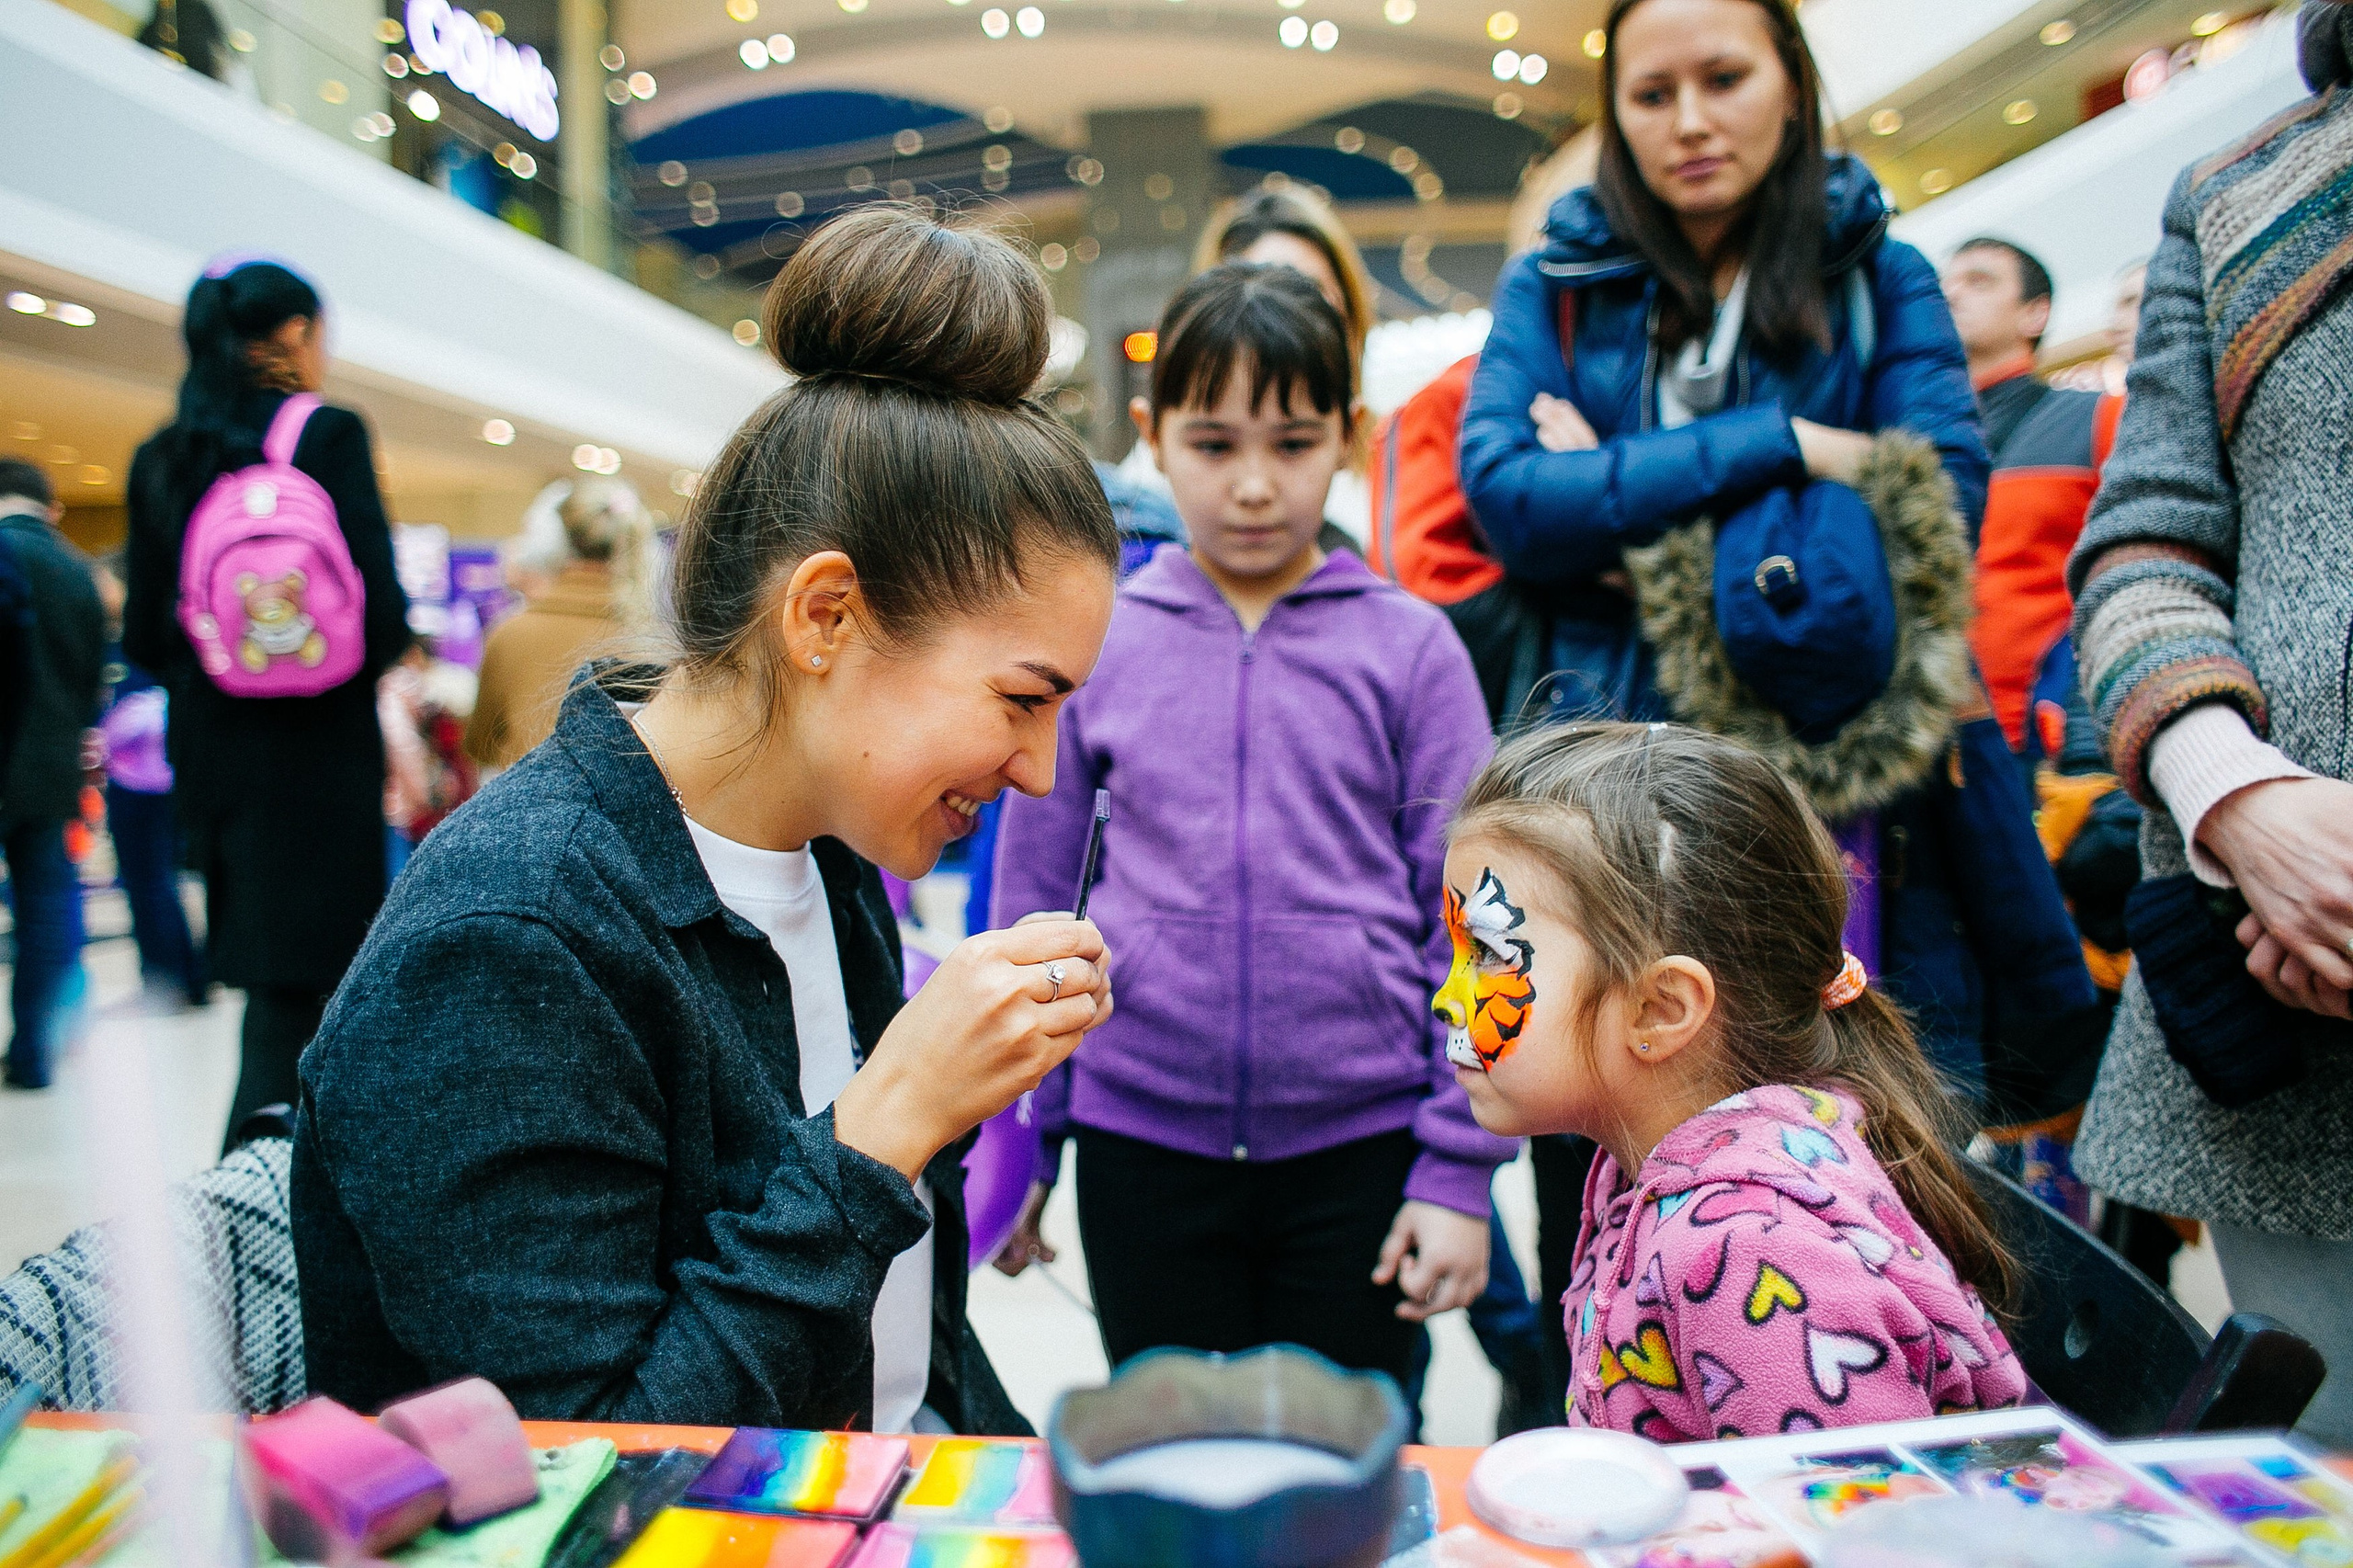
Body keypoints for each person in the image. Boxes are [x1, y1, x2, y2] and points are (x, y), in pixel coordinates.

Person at [291, 207, 1120, 1433]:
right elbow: (593, 1466)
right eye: (1021, 699)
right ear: (826, 615)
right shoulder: (509, 940)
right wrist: (887, 1122)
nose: (1045, 773)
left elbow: (902, 1363)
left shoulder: (826, 863)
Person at [1454, 0, 2099, 1124]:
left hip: (1843, 800)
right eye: (1651, 96)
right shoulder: (1555, 284)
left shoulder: (1879, 273)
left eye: (1724, 79)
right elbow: (1511, 502)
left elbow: (1923, 526)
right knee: (1608, 1175)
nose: (1689, 122)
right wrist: (1787, 447)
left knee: (1850, 1160)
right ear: (1614, 113)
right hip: (1602, 798)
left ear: (1790, 83)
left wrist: (1622, 505)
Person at [990, 263, 1513, 1391]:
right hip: (1141, 1149)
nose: (1254, 484)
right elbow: (1037, 909)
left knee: (1348, 1472)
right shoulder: (1102, 642)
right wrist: (1021, 1139)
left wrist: (1459, 1171)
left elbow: (1482, 924)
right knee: (1166, 1457)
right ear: (1152, 434)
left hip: (1359, 1153)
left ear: (1350, 436)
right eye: (1214, 443)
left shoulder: (1411, 650)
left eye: (1290, 441)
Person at [1441, 722, 2029, 1439]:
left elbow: (1860, 1534)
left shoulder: (1753, 1251)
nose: (1448, 996)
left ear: (1661, 1008)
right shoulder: (1655, 1168)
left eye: (1492, 956)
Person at [2065, 0, 2353, 1449]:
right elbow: (2143, 549)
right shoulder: (2242, 194)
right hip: (2278, 976)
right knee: (2312, 1472)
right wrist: (2238, 798)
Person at [122, 259, 411, 1147]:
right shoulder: (327, 435)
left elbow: (144, 636)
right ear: (292, 335)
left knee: (271, 996)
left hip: (218, 768)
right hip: (319, 767)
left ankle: (267, 1191)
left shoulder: (164, 455)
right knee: (316, 1007)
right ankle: (259, 1204)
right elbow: (385, 618)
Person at [1939, 237, 2123, 756]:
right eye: (1945, 284)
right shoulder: (1912, 440)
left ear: (2034, 313)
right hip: (1934, 742)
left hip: (2055, 741)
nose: (1951, 295)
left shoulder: (2099, 419)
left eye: (1979, 281)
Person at [0, 460, 105, 1091]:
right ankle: (35, 1051)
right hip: (52, 763)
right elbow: (90, 678)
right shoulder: (77, 571)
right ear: (54, 508)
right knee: (46, 902)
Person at [464, 477, 656, 772]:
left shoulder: (510, 633)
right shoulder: (654, 641)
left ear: (554, 540)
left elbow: (481, 746)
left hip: (526, 809)